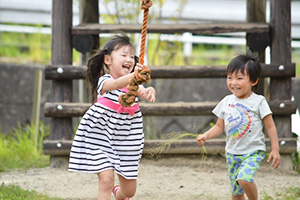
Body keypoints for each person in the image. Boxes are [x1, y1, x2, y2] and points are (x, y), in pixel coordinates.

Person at [68, 35, 156, 200]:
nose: (129, 59)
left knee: (129, 191)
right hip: (101, 136)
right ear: (107, 59)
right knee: (106, 181)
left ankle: (119, 194)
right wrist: (133, 77)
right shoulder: (105, 80)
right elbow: (116, 85)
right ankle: (110, 190)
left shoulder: (133, 84)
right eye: (123, 55)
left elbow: (142, 91)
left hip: (126, 138)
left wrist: (149, 90)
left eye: (131, 56)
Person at [196, 54, 281, 200]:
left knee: (244, 179)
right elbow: (219, 126)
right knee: (236, 194)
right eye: (230, 78)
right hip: (232, 153)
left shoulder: (259, 101)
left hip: (252, 152)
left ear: (254, 81)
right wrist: (206, 136)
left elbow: (270, 127)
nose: (233, 82)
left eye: (239, 78)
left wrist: (275, 149)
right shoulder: (226, 101)